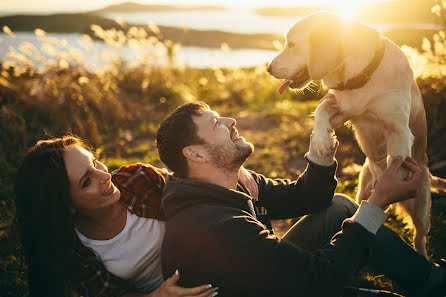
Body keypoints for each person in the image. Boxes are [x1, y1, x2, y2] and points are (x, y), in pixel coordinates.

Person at [156, 101, 446, 297]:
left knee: (340, 207)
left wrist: (323, 138)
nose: (232, 121)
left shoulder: (231, 183)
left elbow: (311, 197)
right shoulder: (217, 227)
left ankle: (433, 281)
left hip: (263, 274)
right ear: (197, 154)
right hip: (281, 286)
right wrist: (378, 202)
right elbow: (318, 279)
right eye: (217, 122)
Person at [15, 135, 240, 297]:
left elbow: (196, 190)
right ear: (68, 206)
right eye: (86, 181)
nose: (104, 175)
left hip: (220, 265)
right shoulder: (75, 250)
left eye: (94, 162)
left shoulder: (137, 179)